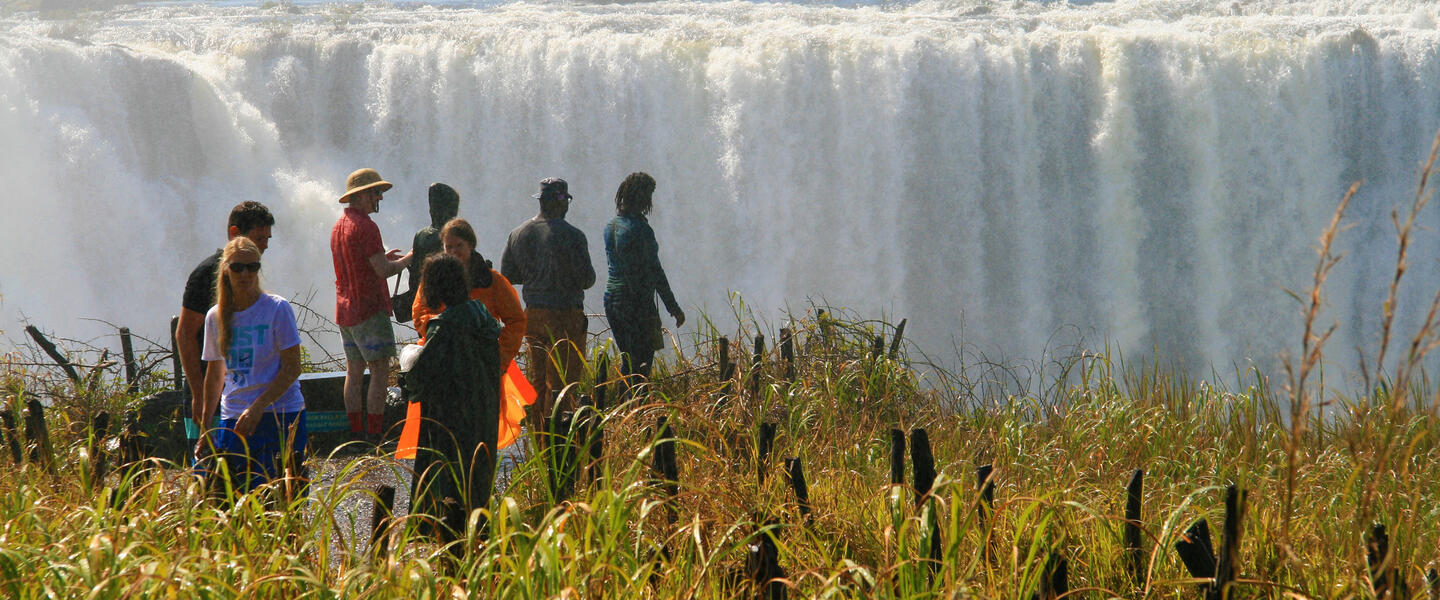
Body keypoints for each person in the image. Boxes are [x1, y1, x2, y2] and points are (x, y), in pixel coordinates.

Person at [406, 253, 502, 555]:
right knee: (478, 477)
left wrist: (407, 364)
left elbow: (420, 376)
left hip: (450, 418)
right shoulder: (484, 318)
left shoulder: (443, 327)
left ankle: (453, 552)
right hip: (484, 412)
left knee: (450, 482)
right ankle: (482, 544)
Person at [197, 236, 306, 493]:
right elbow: (215, 375)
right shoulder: (215, 316)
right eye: (237, 267)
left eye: (252, 267)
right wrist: (206, 426)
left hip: (280, 415)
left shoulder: (277, 309)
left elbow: (293, 367)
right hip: (233, 419)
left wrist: (258, 407)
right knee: (232, 501)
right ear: (225, 269)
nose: (245, 273)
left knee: (282, 500)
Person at [501, 177, 595, 432]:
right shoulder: (574, 236)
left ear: (541, 201)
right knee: (565, 383)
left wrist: (535, 275)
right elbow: (588, 279)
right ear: (560, 202)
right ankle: (562, 442)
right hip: (566, 316)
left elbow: (508, 275)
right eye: (565, 200)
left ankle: (539, 440)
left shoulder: (518, 234)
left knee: (538, 381)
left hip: (533, 315)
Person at [179, 202, 275, 446]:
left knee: (241, 471)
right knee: (206, 469)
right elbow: (185, 335)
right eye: (259, 238)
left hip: (240, 393)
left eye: (267, 238)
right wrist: (198, 394)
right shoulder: (207, 274)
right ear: (235, 233)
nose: (265, 245)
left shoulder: (249, 276)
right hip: (207, 388)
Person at [331, 168, 413, 443]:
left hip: (345, 310)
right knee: (379, 371)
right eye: (376, 193)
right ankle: (375, 435)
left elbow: (358, 261)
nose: (379, 198)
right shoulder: (367, 226)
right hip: (368, 309)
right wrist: (407, 260)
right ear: (362, 195)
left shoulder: (338, 226)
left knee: (353, 371)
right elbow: (382, 271)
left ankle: (354, 433)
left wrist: (383, 258)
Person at [603, 172, 685, 391]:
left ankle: (622, 411)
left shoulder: (611, 226)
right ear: (642, 198)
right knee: (641, 363)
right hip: (636, 302)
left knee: (628, 359)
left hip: (612, 300)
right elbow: (655, 271)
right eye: (649, 195)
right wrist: (674, 308)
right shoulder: (641, 230)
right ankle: (636, 411)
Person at [412, 218, 527, 367]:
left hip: (481, 361)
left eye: (459, 245)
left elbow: (516, 320)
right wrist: (444, 331)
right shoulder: (433, 277)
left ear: (471, 245)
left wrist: (499, 357)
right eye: (449, 247)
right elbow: (419, 313)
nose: (454, 252)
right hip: (439, 358)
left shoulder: (492, 280)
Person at [399, 183, 461, 322]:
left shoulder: (420, 235)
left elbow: (414, 276)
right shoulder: (453, 236)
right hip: (448, 308)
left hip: (424, 306)